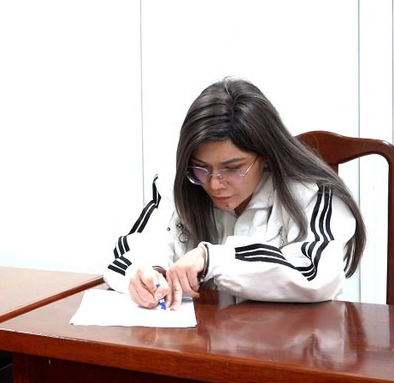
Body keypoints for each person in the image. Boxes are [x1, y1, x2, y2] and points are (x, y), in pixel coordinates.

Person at [104, 77, 366, 309]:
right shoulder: (180, 184)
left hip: (289, 342)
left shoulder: (312, 193)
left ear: (265, 156)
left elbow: (317, 274)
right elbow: (136, 247)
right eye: (201, 168)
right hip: (204, 340)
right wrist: (148, 273)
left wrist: (213, 259)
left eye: (232, 168)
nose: (215, 184)